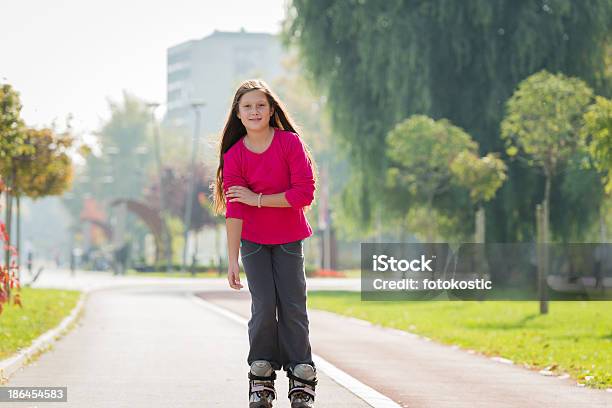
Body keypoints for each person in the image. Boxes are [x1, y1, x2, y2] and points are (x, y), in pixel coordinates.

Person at [212, 79, 318, 408]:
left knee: (292, 306)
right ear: (238, 114)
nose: (255, 111)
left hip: (288, 239)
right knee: (263, 308)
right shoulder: (235, 155)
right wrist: (232, 260)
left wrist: (257, 199)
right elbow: (235, 211)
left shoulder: (289, 143)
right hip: (254, 243)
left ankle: (301, 375)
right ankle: (261, 375)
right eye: (248, 107)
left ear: (271, 110)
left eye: (260, 105)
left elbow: (304, 194)